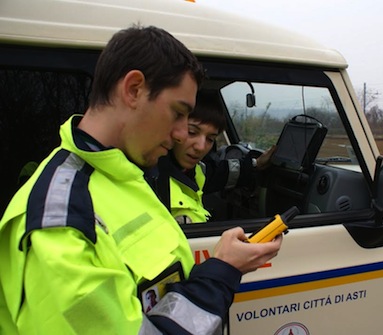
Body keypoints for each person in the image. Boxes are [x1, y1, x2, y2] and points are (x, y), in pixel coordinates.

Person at [0, 25, 282, 335]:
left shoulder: (126, 176)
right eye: (178, 113)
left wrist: (218, 266)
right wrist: (221, 272)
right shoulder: (59, 223)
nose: (179, 134)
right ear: (134, 89)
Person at [150, 91, 275, 224]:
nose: (201, 147)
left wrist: (255, 164)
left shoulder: (196, 171)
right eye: (192, 132)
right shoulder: (151, 180)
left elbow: (220, 173)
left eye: (210, 139)